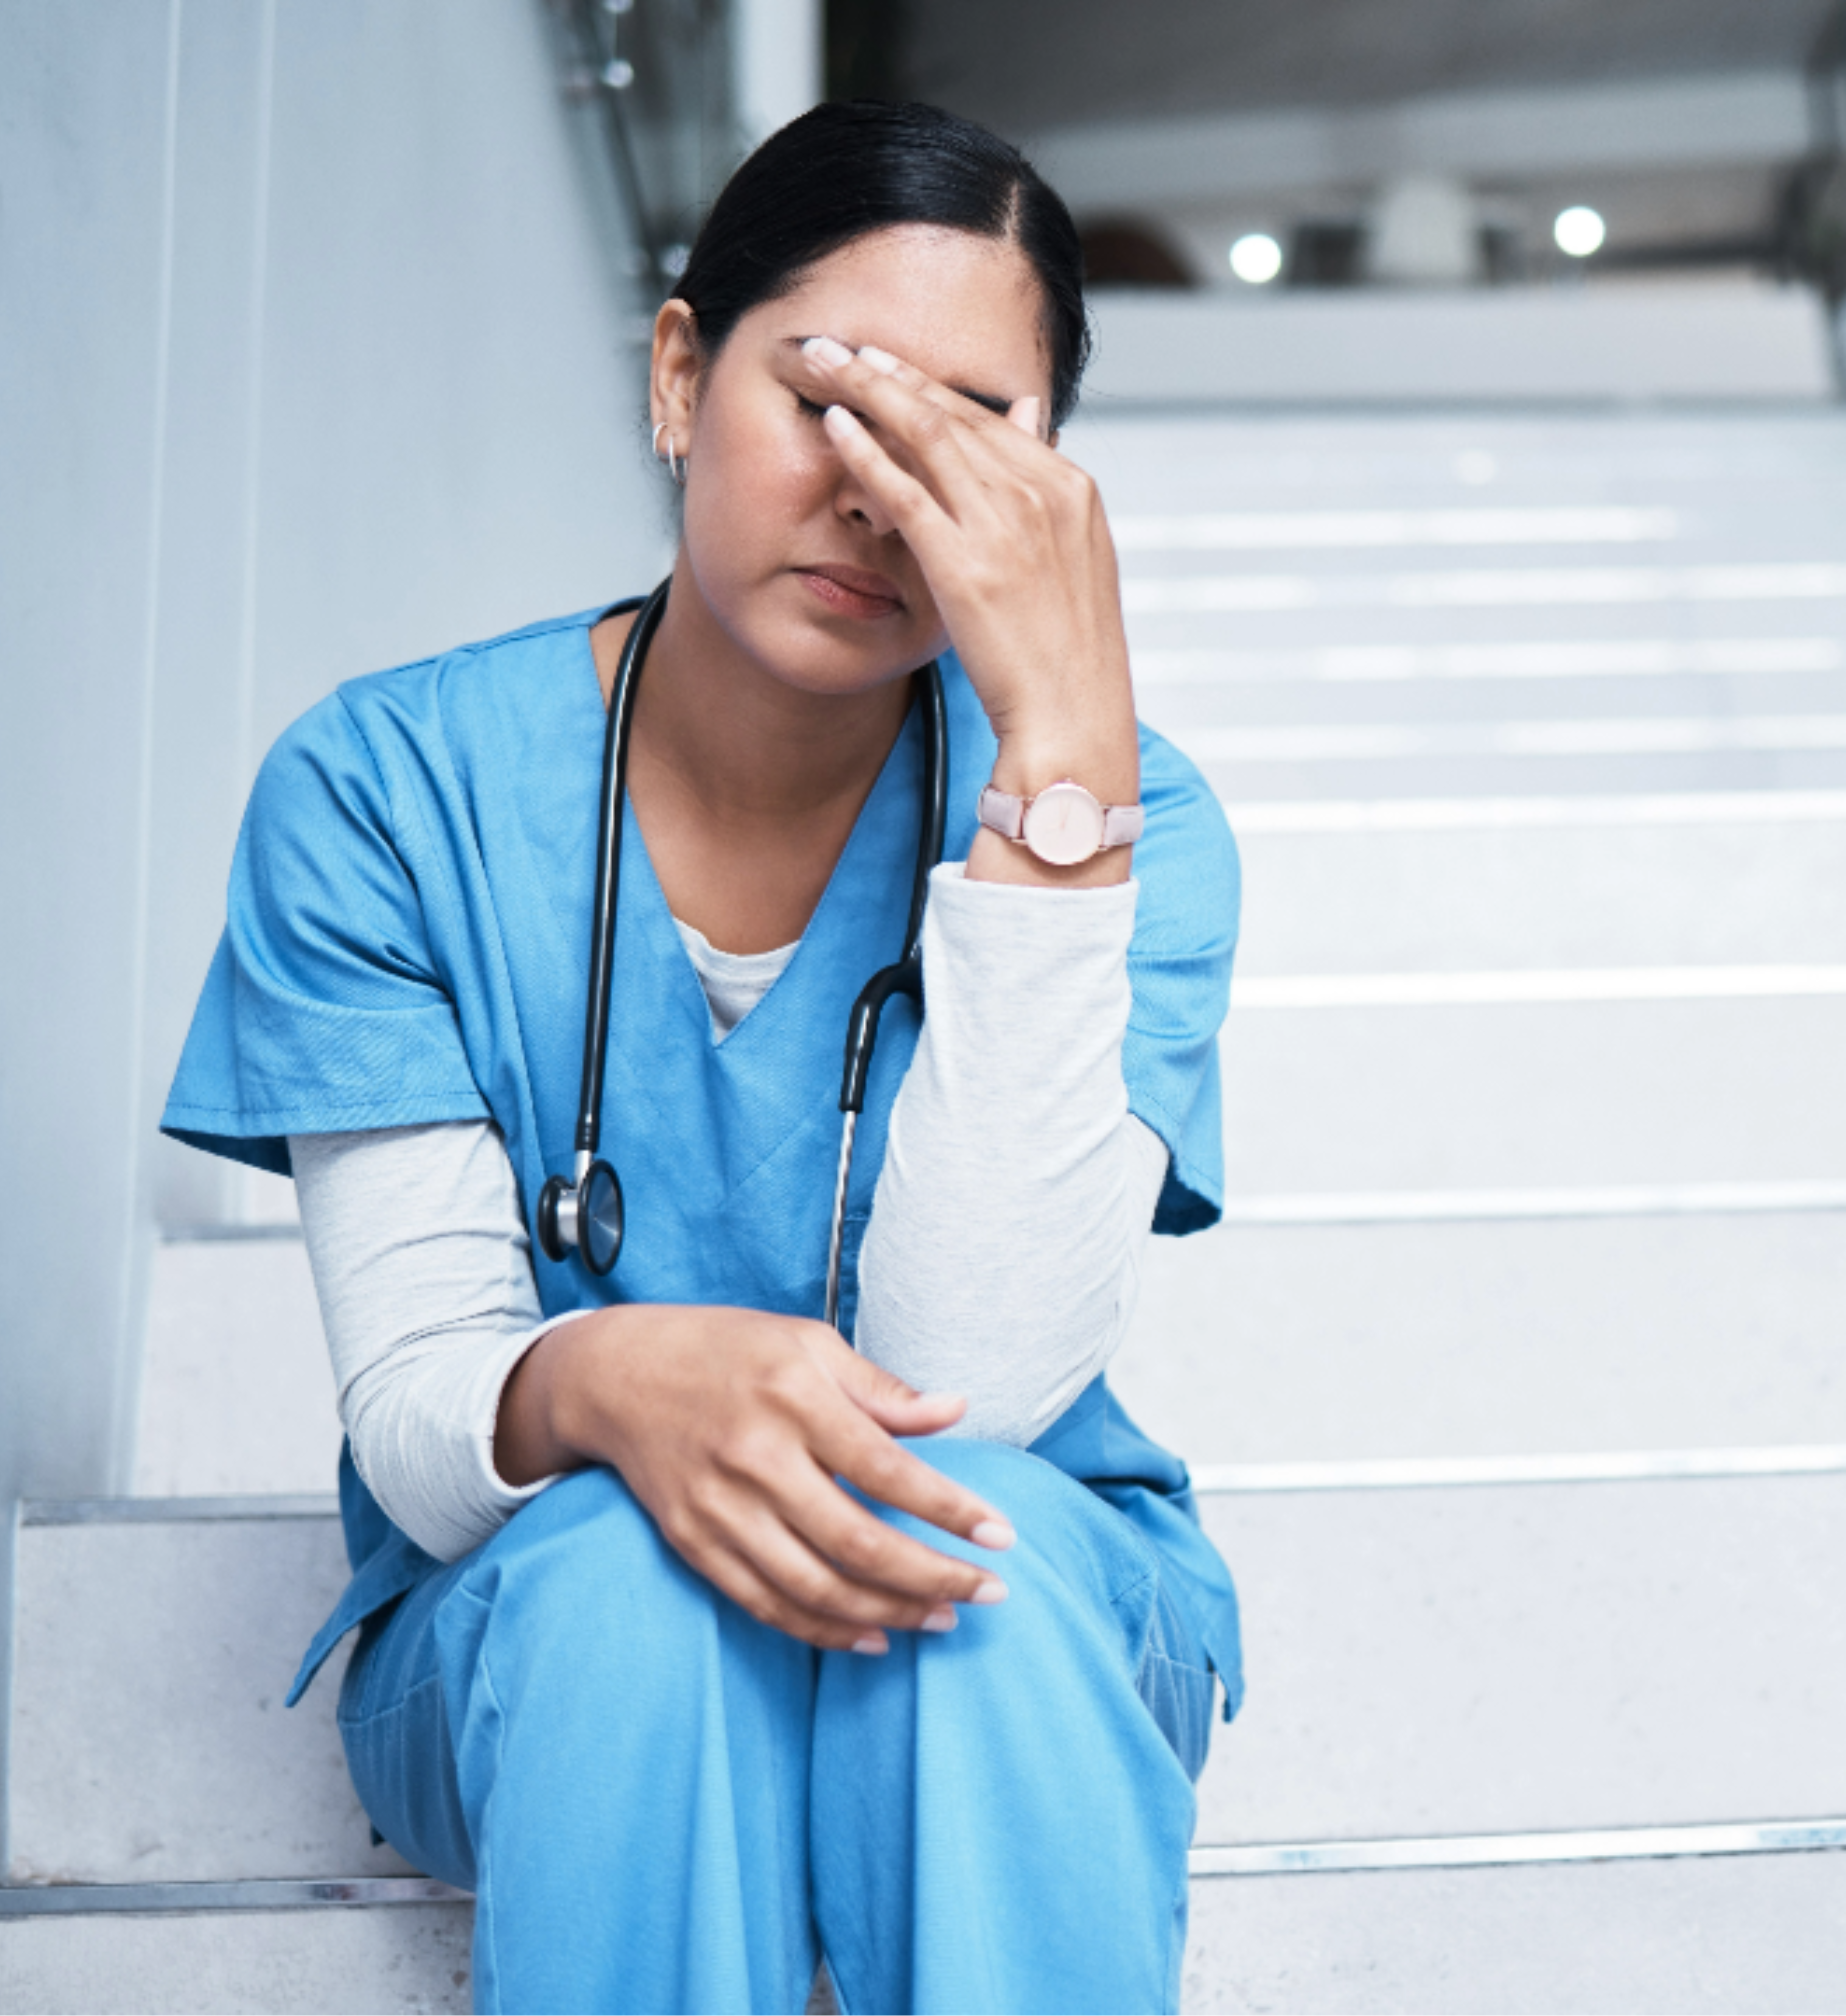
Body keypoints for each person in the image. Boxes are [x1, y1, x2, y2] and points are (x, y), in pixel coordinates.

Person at [158, 100, 1240, 2015]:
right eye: (833, 396)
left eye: (966, 439)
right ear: (680, 371)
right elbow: (424, 1419)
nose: (876, 492)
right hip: (539, 1614)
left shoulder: (1117, 816)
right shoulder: (386, 792)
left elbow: (973, 1388)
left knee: (959, 1587)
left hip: (1021, 1605)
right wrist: (613, 1384)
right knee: (633, 1589)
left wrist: (1058, 757)